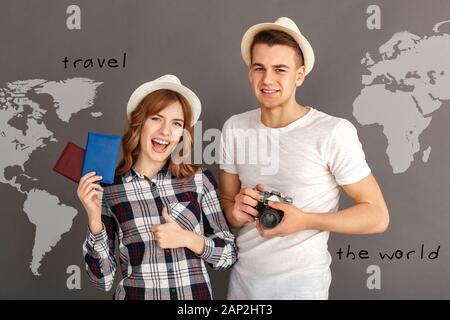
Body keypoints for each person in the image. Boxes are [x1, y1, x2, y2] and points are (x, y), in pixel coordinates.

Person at [219, 17, 389, 299]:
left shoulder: (333, 131)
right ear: (250, 72)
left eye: (280, 69)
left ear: (299, 75)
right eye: (259, 68)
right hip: (242, 285)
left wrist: (305, 220)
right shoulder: (234, 127)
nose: (267, 79)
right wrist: (235, 212)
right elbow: (227, 205)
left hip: (302, 287)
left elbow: (377, 215)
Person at [78, 74, 237, 300]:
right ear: (139, 122)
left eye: (177, 124)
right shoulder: (110, 189)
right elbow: (102, 281)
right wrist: (94, 221)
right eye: (156, 118)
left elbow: (229, 255)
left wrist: (187, 239)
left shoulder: (199, 180)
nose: (165, 131)